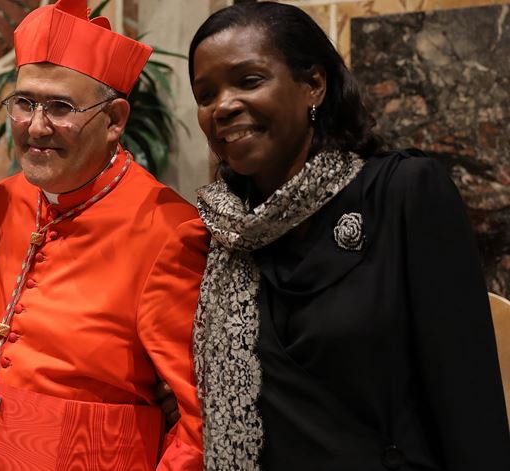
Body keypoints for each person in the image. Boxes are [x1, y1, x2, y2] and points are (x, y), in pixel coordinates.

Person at [187, 2, 510, 470]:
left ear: (313, 85)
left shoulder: (403, 192)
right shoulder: (223, 232)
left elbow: (467, 397)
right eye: (205, 94)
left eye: (249, 80)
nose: (223, 106)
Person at [0, 0, 208, 469]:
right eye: (24, 102)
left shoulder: (169, 230)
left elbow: (200, 418)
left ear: (115, 120)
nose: (36, 126)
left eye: (61, 107)